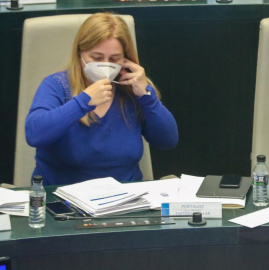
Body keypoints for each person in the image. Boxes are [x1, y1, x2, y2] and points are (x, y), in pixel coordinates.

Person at [25, 13, 179, 185]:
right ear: (80, 53)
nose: (105, 64)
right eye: (96, 58)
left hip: (125, 200)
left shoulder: (132, 90)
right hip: (62, 201)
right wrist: (83, 102)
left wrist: (146, 96)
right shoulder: (57, 85)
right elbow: (34, 134)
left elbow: (168, 140)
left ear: (126, 59)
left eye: (114, 59)